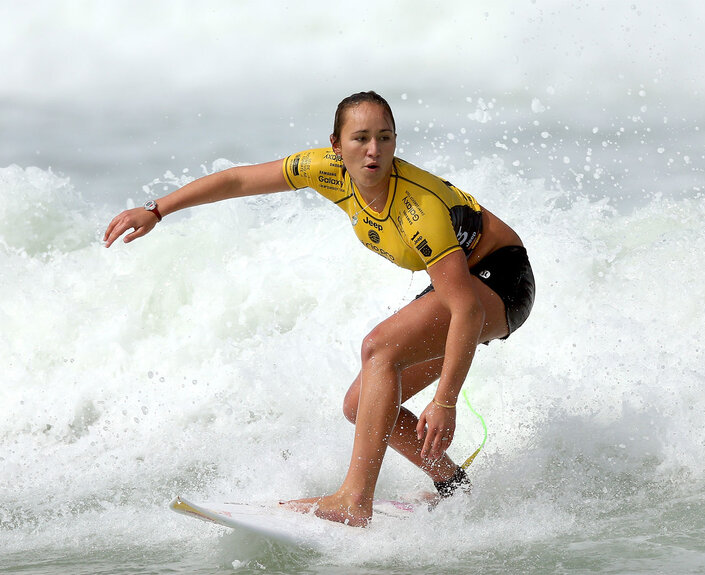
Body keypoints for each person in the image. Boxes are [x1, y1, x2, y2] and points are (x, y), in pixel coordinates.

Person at [104, 91, 535, 527]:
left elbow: (467, 311)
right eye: (360, 138)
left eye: (384, 138)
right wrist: (156, 210)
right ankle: (452, 483)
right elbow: (238, 181)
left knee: (378, 349)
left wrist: (446, 401)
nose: (373, 150)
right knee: (361, 403)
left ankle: (354, 501)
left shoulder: (417, 208)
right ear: (336, 145)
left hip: (500, 280)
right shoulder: (324, 171)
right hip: (459, 280)